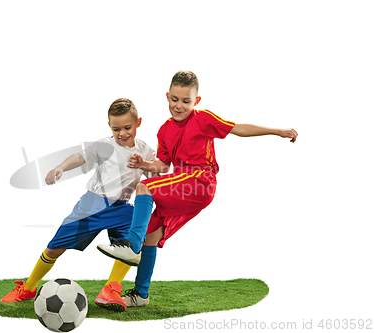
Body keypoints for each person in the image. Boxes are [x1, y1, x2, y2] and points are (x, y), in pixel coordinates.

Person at [98, 70, 298, 308]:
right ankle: (141, 294)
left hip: (199, 182)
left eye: (185, 101)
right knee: (151, 236)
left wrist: (277, 131)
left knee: (144, 187)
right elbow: (163, 165)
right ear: (167, 97)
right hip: (181, 187)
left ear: (196, 101)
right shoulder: (164, 130)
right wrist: (144, 164)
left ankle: (131, 244)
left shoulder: (203, 119)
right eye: (174, 99)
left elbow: (238, 128)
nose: (178, 106)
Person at [1, 98, 156, 312]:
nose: (122, 133)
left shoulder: (146, 150)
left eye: (127, 127)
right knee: (56, 247)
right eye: (116, 128)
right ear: (109, 126)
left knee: (131, 246)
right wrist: (60, 167)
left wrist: (146, 165)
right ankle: (28, 287)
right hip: (93, 204)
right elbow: (81, 157)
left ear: (138, 123)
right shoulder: (105, 145)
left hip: (123, 208)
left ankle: (111, 289)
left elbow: (156, 173)